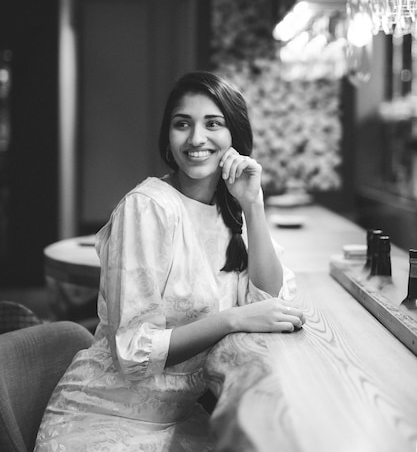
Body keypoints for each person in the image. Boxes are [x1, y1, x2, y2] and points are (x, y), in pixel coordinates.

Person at [35, 70, 305, 452]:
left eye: (213, 124)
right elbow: (132, 351)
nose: (196, 139)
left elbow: (268, 302)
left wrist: (253, 204)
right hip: (104, 417)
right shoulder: (147, 207)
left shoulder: (232, 211)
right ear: (168, 136)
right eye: (183, 124)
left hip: (177, 422)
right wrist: (231, 319)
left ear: (235, 139)